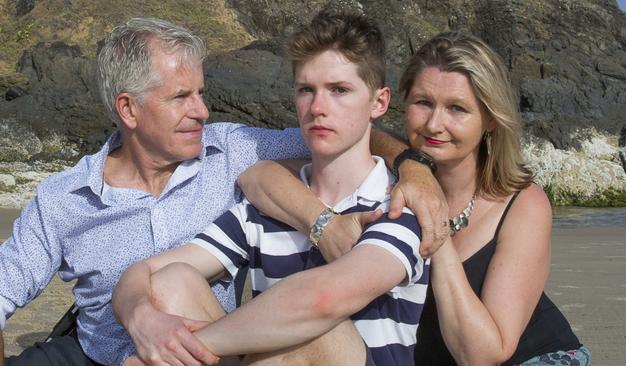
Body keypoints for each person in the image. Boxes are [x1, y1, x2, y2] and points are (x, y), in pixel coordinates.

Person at [239, 32, 592, 365]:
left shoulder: (521, 203)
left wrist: (435, 226)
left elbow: (484, 356)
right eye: (423, 103)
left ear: (489, 119)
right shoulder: (378, 176)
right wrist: (326, 224)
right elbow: (258, 176)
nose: (435, 124)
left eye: (457, 108)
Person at [113, 10, 428, 366]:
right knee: (171, 282)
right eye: (306, 90)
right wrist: (142, 318)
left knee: (316, 330)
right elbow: (144, 274)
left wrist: (180, 348)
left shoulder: (401, 204)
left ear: (379, 102)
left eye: (339, 90)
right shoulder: (268, 207)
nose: (318, 108)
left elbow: (321, 301)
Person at [0, 17, 313, 366]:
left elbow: (334, 138)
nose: (202, 111)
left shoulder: (231, 150)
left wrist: (390, 164)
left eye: (200, 93)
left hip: (201, 355)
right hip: (96, 358)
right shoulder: (64, 198)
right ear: (128, 109)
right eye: (181, 97)